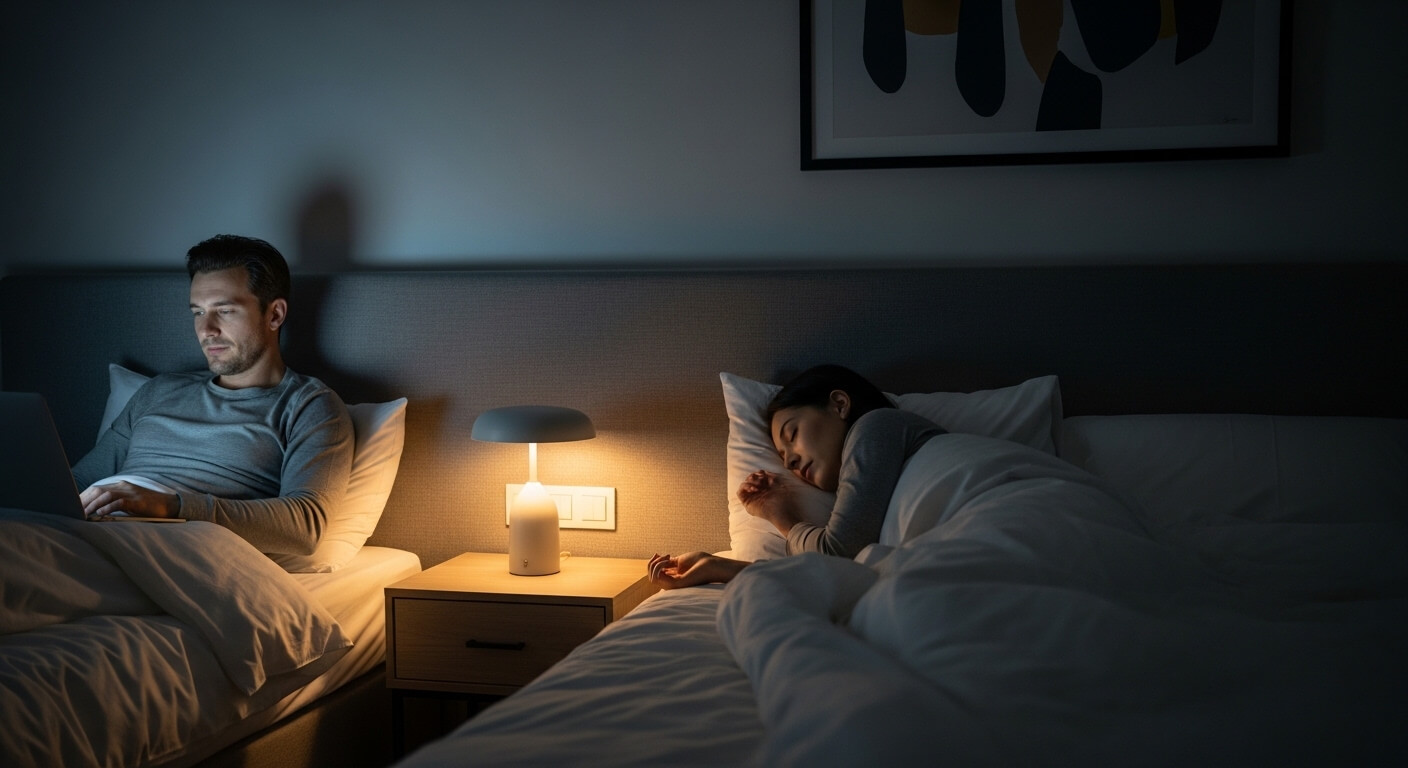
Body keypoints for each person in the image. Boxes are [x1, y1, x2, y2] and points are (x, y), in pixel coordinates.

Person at [71, 235, 354, 555]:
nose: (206, 329)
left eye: (225, 311)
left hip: (176, 548)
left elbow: (305, 527)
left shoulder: (309, 406)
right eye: (198, 312)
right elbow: (76, 484)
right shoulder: (158, 391)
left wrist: (172, 507)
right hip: (95, 534)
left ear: (274, 315)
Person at [649, 364, 944, 590]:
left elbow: (836, 556)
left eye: (792, 434)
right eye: (782, 458)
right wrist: (716, 566)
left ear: (839, 404)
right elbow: (846, 577)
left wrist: (783, 517)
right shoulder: (881, 494)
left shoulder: (877, 425)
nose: (789, 459)